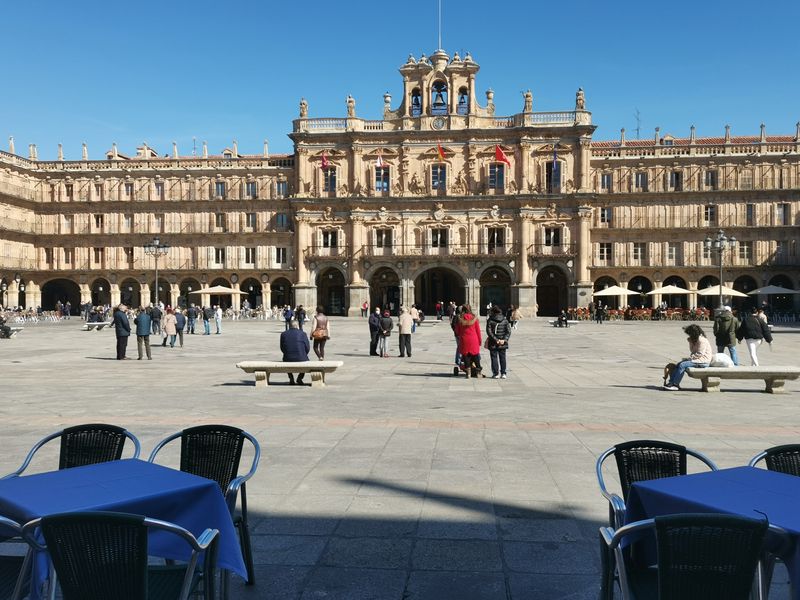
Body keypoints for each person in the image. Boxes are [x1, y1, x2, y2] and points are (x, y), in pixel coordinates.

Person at [664, 324, 713, 391]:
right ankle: (671, 382)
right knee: (679, 364)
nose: (689, 335)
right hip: (698, 360)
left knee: (682, 365)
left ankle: (675, 384)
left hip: (703, 361)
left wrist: (689, 359)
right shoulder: (696, 339)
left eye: (689, 334)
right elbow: (692, 351)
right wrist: (691, 343)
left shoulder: (702, 340)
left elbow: (699, 353)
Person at [455, 304, 483, 378]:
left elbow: (457, 331)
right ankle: (478, 373)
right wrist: (480, 341)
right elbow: (478, 331)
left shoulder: (460, 318)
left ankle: (468, 373)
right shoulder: (474, 318)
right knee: (476, 355)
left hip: (464, 339)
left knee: (466, 356)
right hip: (474, 339)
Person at [280, 320, 309, 385]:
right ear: (297, 326)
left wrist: (287, 353)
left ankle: (291, 378)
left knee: (285, 361)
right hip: (301, 357)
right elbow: (307, 347)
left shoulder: (283, 334)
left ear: (289, 326)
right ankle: (300, 378)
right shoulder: (303, 334)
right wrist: (304, 354)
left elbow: (282, 348)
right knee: (306, 360)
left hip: (288, 357)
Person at [486, 305, 511, 378]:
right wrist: (504, 340)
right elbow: (508, 331)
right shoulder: (505, 320)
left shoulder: (490, 320)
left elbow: (489, 332)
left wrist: (496, 340)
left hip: (493, 342)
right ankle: (503, 373)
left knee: (494, 357)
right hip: (503, 343)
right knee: (502, 357)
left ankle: (496, 373)